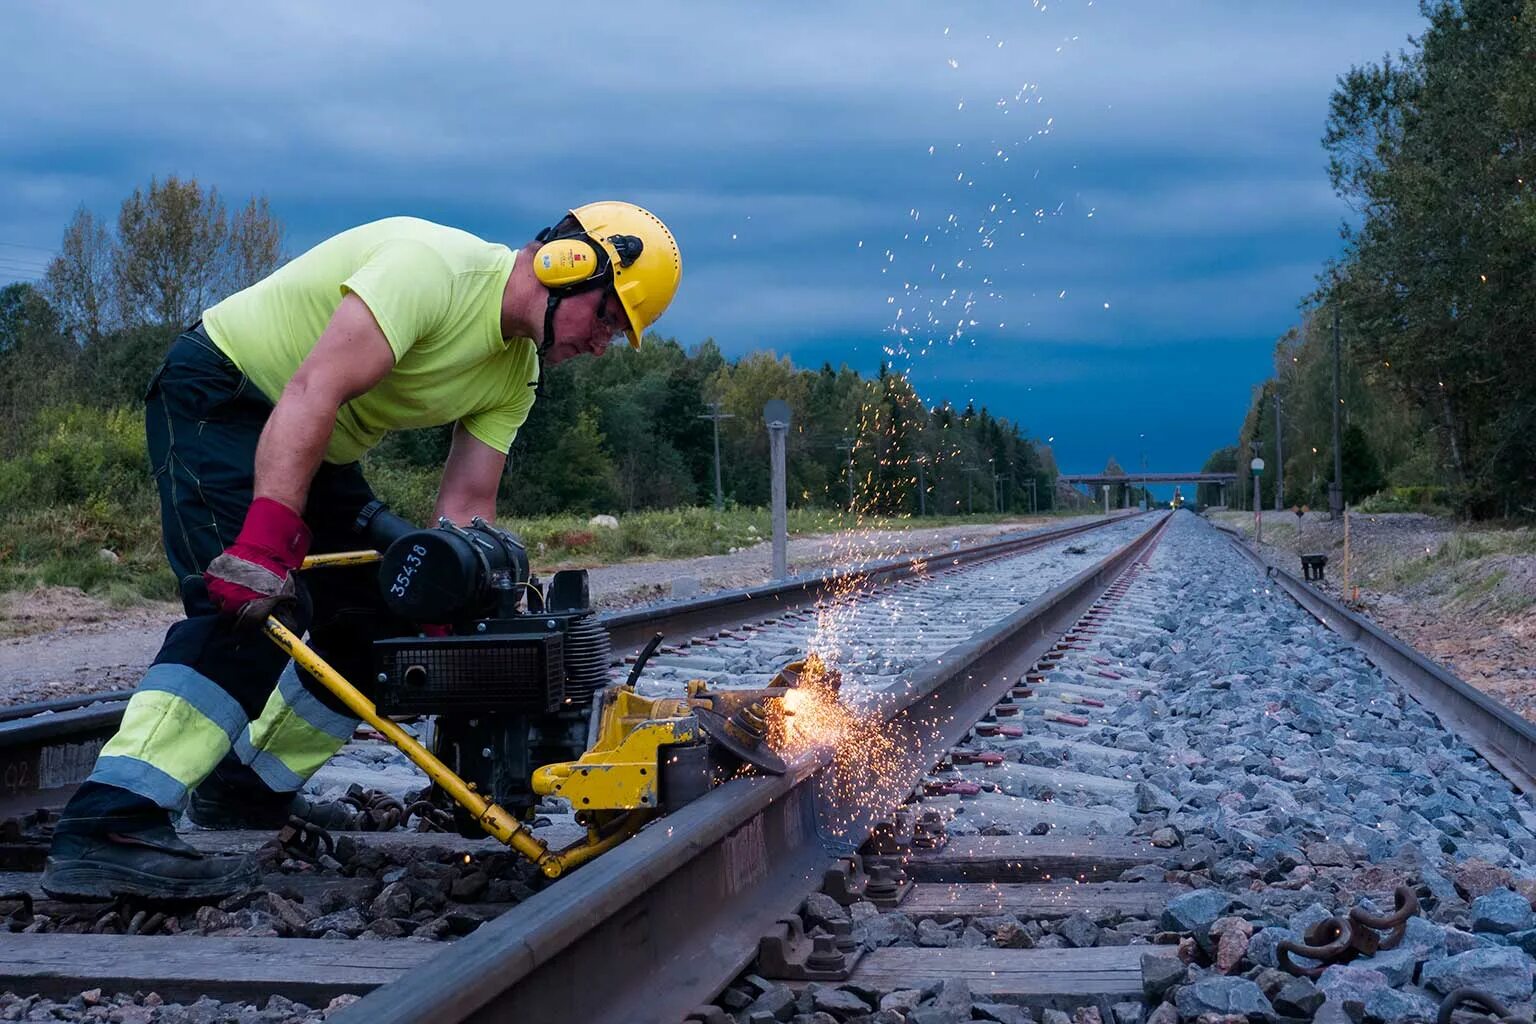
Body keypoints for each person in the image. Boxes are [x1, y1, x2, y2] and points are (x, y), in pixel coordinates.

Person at [41, 202, 682, 900]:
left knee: (387, 612)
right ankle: (110, 826)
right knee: (256, 607)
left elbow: (466, 509)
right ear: (572, 264)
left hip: (317, 441)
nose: (603, 345)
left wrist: (466, 600)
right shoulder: (432, 269)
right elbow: (315, 388)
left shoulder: (515, 374)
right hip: (223, 397)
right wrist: (267, 538)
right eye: (610, 321)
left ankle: (245, 790)